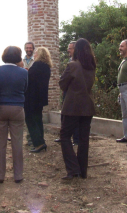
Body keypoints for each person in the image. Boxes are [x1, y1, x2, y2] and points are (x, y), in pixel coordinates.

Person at [59, 38, 96, 180]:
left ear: (77, 50)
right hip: (88, 106)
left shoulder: (72, 65)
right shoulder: (92, 66)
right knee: (83, 138)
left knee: (64, 136)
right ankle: (82, 171)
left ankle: (73, 169)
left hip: (72, 106)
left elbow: (62, 84)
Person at [0, 46, 28, 183]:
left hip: (0, 108)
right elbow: (25, 89)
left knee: (0, 143)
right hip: (17, 108)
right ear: (18, 57)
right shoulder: (23, 72)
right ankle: (18, 175)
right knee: (17, 143)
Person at [24, 47, 51, 153]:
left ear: (39, 54)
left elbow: (29, 79)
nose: (34, 55)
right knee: (38, 119)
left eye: (36, 53)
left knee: (30, 120)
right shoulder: (46, 66)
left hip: (32, 97)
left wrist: (26, 72)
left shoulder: (36, 66)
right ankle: (41, 141)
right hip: (40, 98)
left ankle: (38, 143)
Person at [55, 41, 80, 145]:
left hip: (75, 93)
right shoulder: (71, 60)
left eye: (70, 48)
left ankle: (76, 139)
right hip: (67, 92)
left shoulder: (78, 62)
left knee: (74, 116)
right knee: (64, 115)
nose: (68, 50)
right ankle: (65, 136)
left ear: (75, 49)